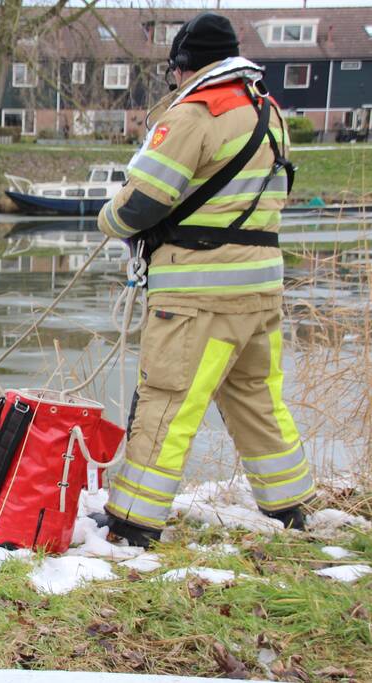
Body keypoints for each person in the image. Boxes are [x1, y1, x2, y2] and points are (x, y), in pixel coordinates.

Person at [95, 13, 312, 547]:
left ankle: (133, 521)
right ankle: (290, 505)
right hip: (260, 292)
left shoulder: (196, 111)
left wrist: (107, 221)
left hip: (197, 294)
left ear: (182, 66)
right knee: (258, 396)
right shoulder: (269, 110)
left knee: (167, 400)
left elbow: (142, 201)